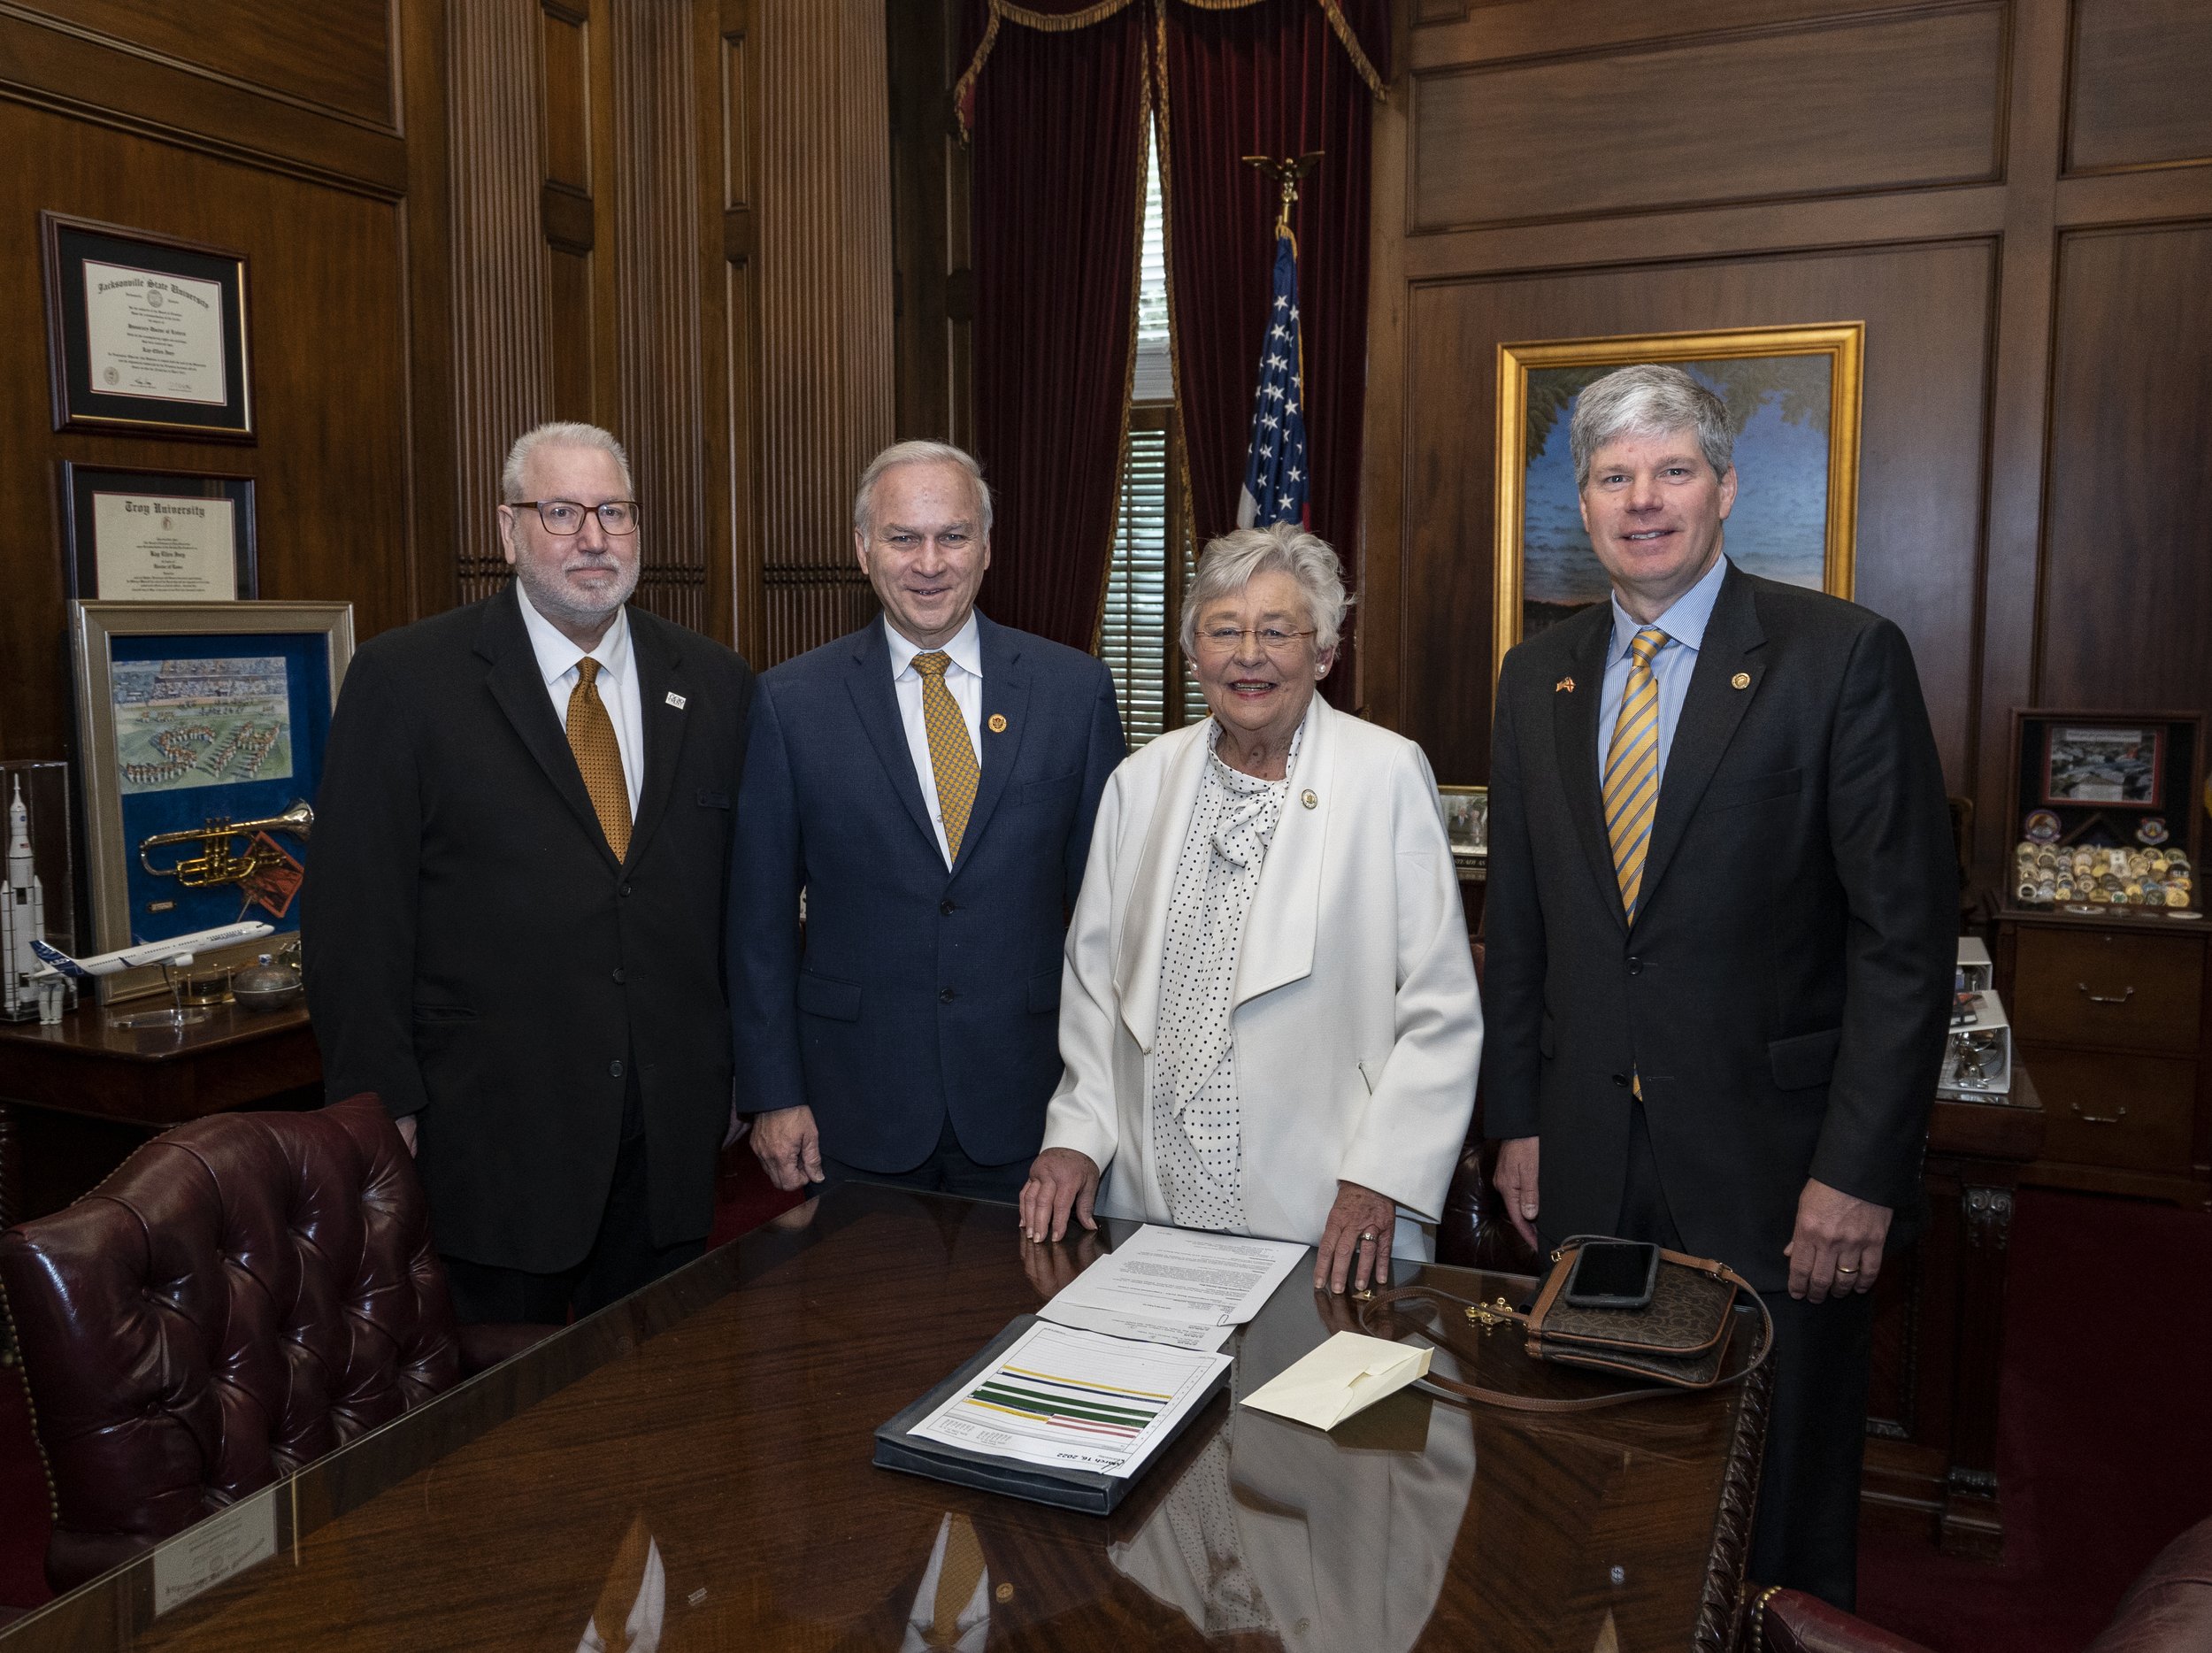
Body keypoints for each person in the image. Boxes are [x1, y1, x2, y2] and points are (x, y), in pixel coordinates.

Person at [1481, 364, 1955, 1606]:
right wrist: (1518, 1119)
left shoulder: (1841, 658)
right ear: (1582, 503)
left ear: (1726, 488)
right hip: (1586, 1150)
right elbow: (1523, 926)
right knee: (1593, 1465)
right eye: (1613, 476)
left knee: (1775, 1483)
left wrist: (1859, 1172)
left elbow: (1903, 944)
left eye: (1672, 470)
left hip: (1776, 1166)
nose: (1644, 501)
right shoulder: (1538, 678)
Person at [304, 421, 756, 1323]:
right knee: (501, 1431)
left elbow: (741, 910)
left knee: (667, 1401)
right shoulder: (406, 680)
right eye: (561, 512)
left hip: (668, 1138)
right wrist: (378, 1103)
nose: (593, 538)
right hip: (493, 1136)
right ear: (507, 529)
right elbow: (355, 915)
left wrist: (746, 1076)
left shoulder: (714, 683)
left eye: (614, 512)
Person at [1022, 524, 1483, 1293]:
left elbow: (1440, 1008)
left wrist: (1382, 1175)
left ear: (1325, 653)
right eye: (1223, 630)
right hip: (1150, 1205)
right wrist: (1076, 1135)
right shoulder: (1139, 782)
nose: (1249, 655)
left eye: (1277, 631)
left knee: (1310, 1411)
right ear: (1192, 652)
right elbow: (1093, 985)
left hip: (1333, 1214)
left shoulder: (1386, 775)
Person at [728, 441, 1125, 1199]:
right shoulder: (789, 703)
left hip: (1032, 1101)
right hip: (853, 1103)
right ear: (863, 549)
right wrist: (773, 1092)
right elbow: (758, 922)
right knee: (862, 1317)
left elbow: (1111, 921)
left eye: (952, 535)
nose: (929, 563)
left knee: (1026, 1314)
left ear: (986, 547)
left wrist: (1096, 1107)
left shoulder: (1073, 693)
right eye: (904, 538)